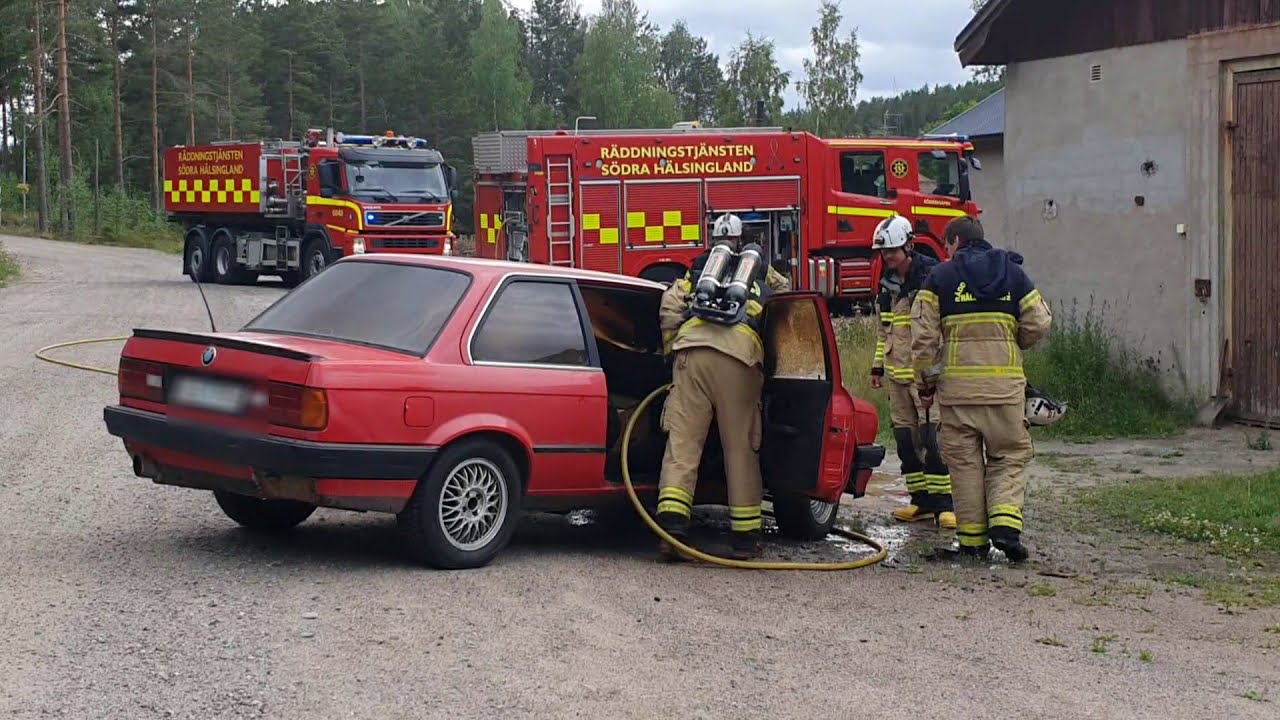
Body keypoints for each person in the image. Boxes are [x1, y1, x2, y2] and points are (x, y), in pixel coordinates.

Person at [910, 215, 1052, 563]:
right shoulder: (1013, 273)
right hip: (1005, 391)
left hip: (958, 395)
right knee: (1008, 456)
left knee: (965, 465)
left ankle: (972, 543)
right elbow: (1039, 321)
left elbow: (923, 339)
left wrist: (925, 383)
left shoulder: (940, 277)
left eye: (946, 245)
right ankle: (1005, 526)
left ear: (955, 241)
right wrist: (1014, 341)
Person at [655, 213, 774, 561]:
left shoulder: (698, 272)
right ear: (742, 239)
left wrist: (671, 350)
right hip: (738, 359)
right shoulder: (761, 273)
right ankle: (745, 541)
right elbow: (788, 307)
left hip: (691, 353)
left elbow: (669, 307)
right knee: (740, 449)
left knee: (683, 444)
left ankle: (671, 534)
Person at [869, 215, 956, 529]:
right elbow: (884, 331)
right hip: (897, 375)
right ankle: (920, 501)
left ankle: (944, 505)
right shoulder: (887, 286)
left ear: (908, 245)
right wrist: (877, 366)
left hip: (925, 376)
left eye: (893, 250)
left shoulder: (931, 280)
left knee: (933, 441)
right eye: (884, 252)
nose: (888, 256)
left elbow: (941, 329)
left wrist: (935, 372)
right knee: (906, 442)